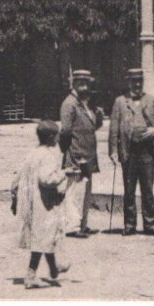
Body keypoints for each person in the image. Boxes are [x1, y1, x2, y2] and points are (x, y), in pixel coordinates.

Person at [12, 119, 76, 289]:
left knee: (47, 235)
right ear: (50, 137)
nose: (58, 139)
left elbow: (18, 177)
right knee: (42, 237)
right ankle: (31, 275)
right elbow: (46, 179)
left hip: (33, 201)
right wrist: (64, 174)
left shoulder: (33, 153)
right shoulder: (48, 156)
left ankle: (53, 268)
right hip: (44, 202)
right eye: (56, 135)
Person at [108, 67, 154, 235]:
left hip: (147, 150)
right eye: (134, 81)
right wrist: (112, 150)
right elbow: (113, 129)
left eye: (140, 81)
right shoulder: (120, 102)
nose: (137, 84)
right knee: (129, 189)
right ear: (129, 83)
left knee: (148, 189)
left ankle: (150, 225)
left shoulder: (152, 100)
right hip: (129, 150)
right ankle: (129, 225)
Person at [58, 69, 104, 237]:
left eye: (87, 84)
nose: (85, 87)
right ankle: (72, 227)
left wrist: (98, 115)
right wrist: (69, 151)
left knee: (85, 191)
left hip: (89, 155)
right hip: (77, 155)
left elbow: (93, 127)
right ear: (74, 84)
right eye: (81, 84)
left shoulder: (87, 104)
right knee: (74, 192)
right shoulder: (69, 103)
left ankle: (83, 224)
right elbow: (65, 131)